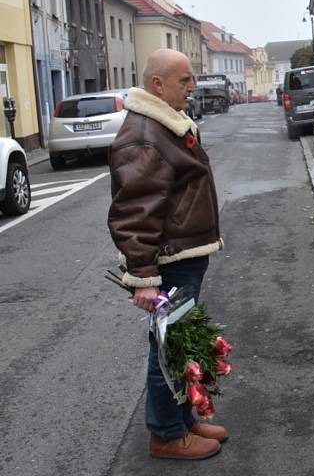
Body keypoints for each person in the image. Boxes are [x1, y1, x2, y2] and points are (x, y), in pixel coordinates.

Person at [108, 49, 226, 461]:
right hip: (171, 260)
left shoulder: (163, 125)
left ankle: (184, 422)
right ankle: (166, 434)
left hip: (184, 255)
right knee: (166, 351)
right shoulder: (144, 134)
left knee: (179, 347)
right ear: (157, 85)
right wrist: (145, 276)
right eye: (185, 80)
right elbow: (134, 212)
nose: (193, 87)